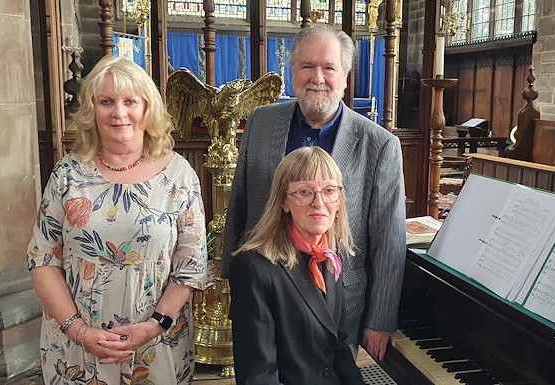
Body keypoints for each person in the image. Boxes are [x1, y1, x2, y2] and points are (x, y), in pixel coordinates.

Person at [222, 25, 406, 362]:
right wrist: (230, 280)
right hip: (263, 302)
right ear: (292, 72)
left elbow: (389, 241)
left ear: (345, 77)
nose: (316, 77)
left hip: (336, 310)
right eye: (307, 66)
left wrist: (380, 320)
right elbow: (240, 204)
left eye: (329, 67)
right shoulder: (260, 123)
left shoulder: (379, 145)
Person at [26, 55, 207, 385]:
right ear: (91, 110)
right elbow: (42, 259)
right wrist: (79, 331)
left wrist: (153, 327)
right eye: (106, 102)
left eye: (130, 101)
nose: (119, 113)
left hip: (157, 343)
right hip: (76, 345)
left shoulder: (179, 174)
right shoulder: (68, 174)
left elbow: (191, 263)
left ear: (147, 108)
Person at [229, 146, 365, 385]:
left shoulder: (330, 258)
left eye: (329, 190)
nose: (319, 202)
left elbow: (340, 350)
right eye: (304, 192)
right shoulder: (253, 268)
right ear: (284, 201)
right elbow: (258, 377)